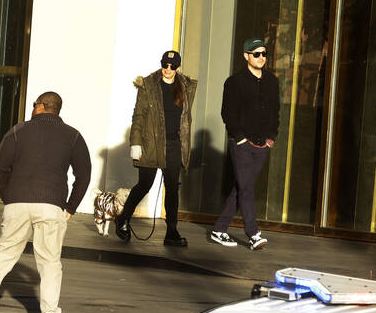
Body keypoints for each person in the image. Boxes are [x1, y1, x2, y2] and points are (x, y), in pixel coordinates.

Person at [0, 91, 91, 313]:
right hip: (51, 205)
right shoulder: (73, 136)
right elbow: (84, 175)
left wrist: (8, 196)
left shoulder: (18, 131)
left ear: (42, 106)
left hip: (17, 203)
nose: (32, 108)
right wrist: (70, 207)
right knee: (50, 261)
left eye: (34, 104)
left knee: (4, 252)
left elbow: (0, 166)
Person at [115, 49, 197, 246]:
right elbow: (139, 116)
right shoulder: (149, 85)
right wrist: (135, 142)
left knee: (172, 189)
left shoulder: (185, 86)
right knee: (145, 184)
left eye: (172, 66)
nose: (167, 70)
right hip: (151, 143)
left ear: (178, 68)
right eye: (164, 65)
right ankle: (123, 218)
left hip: (174, 144)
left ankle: (172, 231)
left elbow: (185, 119)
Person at [209, 37, 280, 251]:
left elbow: (276, 112)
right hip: (241, 143)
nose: (261, 58)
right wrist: (239, 137)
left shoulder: (272, 81)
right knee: (246, 187)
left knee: (242, 187)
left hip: (262, 145)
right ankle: (253, 234)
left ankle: (219, 229)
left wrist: (271, 138)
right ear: (246, 56)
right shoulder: (235, 82)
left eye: (263, 54)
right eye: (256, 54)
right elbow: (227, 113)